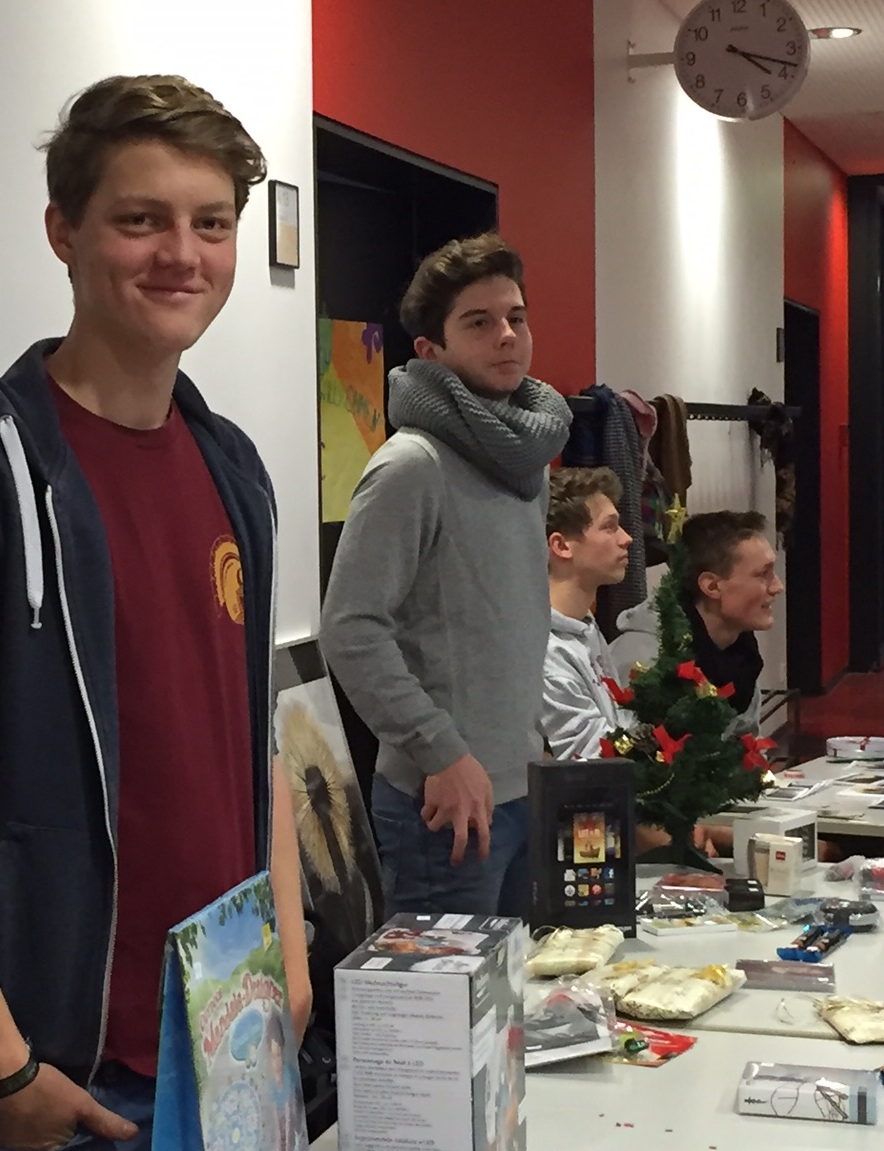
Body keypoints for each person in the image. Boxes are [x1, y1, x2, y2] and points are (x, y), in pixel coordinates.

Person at [0, 74, 311, 1151]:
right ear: (63, 232)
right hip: (70, 1072)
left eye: (211, 224)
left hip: (232, 1028)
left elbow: (251, 735)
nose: (182, 255)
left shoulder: (233, 465)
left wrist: (292, 958)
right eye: (141, 220)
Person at [319, 233, 572, 918]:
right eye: (478, 322)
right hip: (446, 803)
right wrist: (441, 753)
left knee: (513, 981)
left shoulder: (523, 462)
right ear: (430, 350)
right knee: (449, 990)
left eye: (515, 317)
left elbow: (504, 621)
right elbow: (349, 628)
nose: (506, 335)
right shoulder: (412, 466)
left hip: (518, 788)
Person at [610, 510, 784, 732]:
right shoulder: (644, 661)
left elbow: (746, 745)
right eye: (763, 574)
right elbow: (627, 749)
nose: (777, 586)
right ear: (712, 586)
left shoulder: (741, 653)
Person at [539, 467, 633, 760]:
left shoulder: (584, 626)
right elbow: (591, 758)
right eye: (610, 527)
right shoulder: (543, 649)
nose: (627, 538)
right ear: (561, 546)